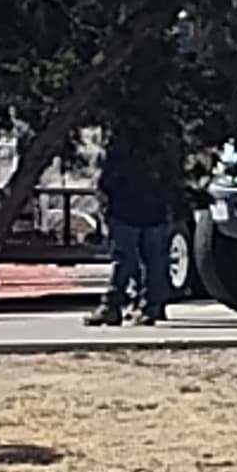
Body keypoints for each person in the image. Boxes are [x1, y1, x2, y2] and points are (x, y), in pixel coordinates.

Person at [85, 121, 178, 327]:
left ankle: (113, 305)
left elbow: (108, 176)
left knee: (124, 258)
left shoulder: (121, 140)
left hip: (126, 207)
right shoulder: (164, 138)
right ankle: (151, 305)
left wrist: (105, 205)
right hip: (155, 206)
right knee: (154, 260)